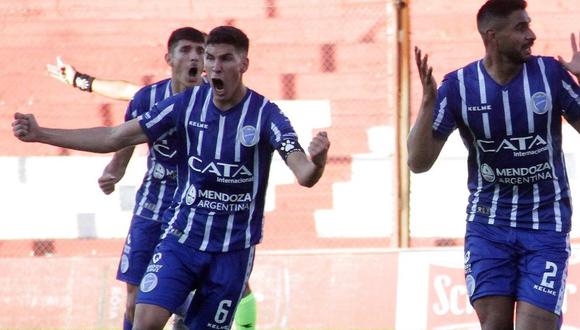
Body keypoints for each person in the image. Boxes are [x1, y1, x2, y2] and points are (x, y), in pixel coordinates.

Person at [13, 25, 330, 330]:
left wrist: (317, 162)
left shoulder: (265, 114)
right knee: (144, 318)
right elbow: (114, 137)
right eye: (211, 58)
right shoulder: (184, 105)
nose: (215, 67)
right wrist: (41, 134)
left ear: (244, 63)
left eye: (226, 59)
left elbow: (304, 174)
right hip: (181, 239)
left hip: (232, 250)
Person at [45, 33, 259, 330]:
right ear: (170, 59)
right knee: (135, 300)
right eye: (187, 50)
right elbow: (128, 103)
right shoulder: (152, 97)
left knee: (233, 285)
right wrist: (116, 166)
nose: (196, 58)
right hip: (154, 206)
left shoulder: (218, 99)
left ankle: (231, 321)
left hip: (199, 209)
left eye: (201, 51)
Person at [407, 0, 580, 329]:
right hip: (489, 225)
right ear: (492, 36)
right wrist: (428, 104)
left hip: (546, 224)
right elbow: (418, 162)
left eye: (529, 25)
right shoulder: (458, 87)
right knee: (495, 325)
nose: (531, 35)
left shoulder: (551, 74)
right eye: (520, 27)